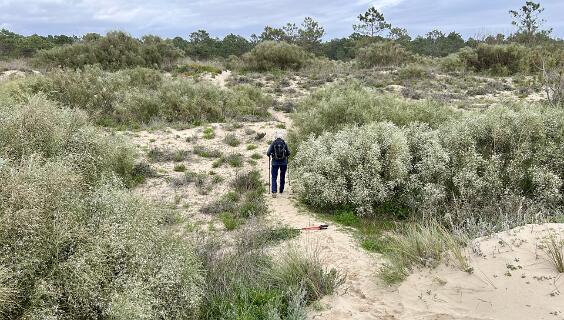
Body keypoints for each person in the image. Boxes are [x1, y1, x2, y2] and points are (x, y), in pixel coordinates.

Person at [266, 131, 290, 198]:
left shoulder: (273, 143)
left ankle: (274, 192)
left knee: (274, 177)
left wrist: (271, 154)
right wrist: (285, 154)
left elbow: (268, 153)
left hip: (275, 163)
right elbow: (288, 153)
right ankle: (281, 190)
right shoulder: (284, 143)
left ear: (276, 136)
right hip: (284, 163)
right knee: (282, 176)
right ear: (282, 136)